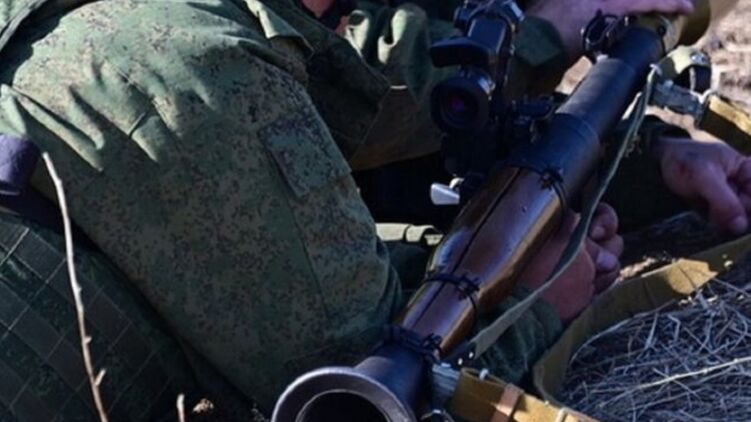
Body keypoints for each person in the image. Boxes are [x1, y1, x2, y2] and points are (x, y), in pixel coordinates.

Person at [0, 0, 747, 419]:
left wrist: (643, 168)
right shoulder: (192, 67)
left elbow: (365, 149)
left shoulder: (159, 23)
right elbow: (360, 389)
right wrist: (538, 303)